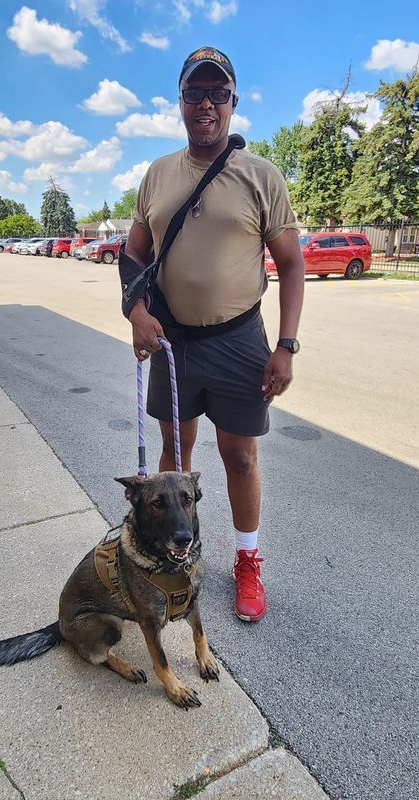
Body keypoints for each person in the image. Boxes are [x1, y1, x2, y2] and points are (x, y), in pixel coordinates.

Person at [123, 46, 305, 622]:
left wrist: (285, 344)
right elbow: (132, 256)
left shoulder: (260, 175)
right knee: (174, 460)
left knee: (240, 457)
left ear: (232, 102)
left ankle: (247, 560)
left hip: (238, 341)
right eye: (194, 93)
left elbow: (293, 264)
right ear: (180, 102)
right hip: (173, 344)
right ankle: (174, 556)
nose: (206, 103)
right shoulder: (157, 175)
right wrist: (135, 313)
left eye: (217, 93)